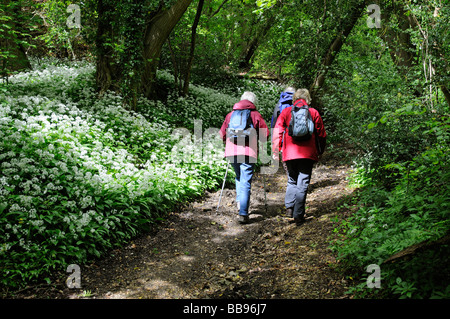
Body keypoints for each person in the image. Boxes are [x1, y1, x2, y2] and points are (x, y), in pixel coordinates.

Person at [272, 89, 326, 225]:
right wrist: (320, 150)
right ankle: (298, 214)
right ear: (308, 99)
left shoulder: (286, 112)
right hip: (308, 153)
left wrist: (276, 150)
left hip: (289, 153)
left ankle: (289, 209)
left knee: (292, 180)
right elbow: (321, 134)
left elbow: (277, 131)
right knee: (302, 183)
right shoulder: (313, 112)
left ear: (294, 99)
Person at [220, 92, 269, 224]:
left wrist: (227, 142)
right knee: (246, 180)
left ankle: (239, 203)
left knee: (238, 176)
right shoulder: (255, 114)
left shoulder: (231, 114)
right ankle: (243, 213)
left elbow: (222, 134)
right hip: (248, 152)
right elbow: (265, 134)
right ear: (253, 101)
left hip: (232, 151)